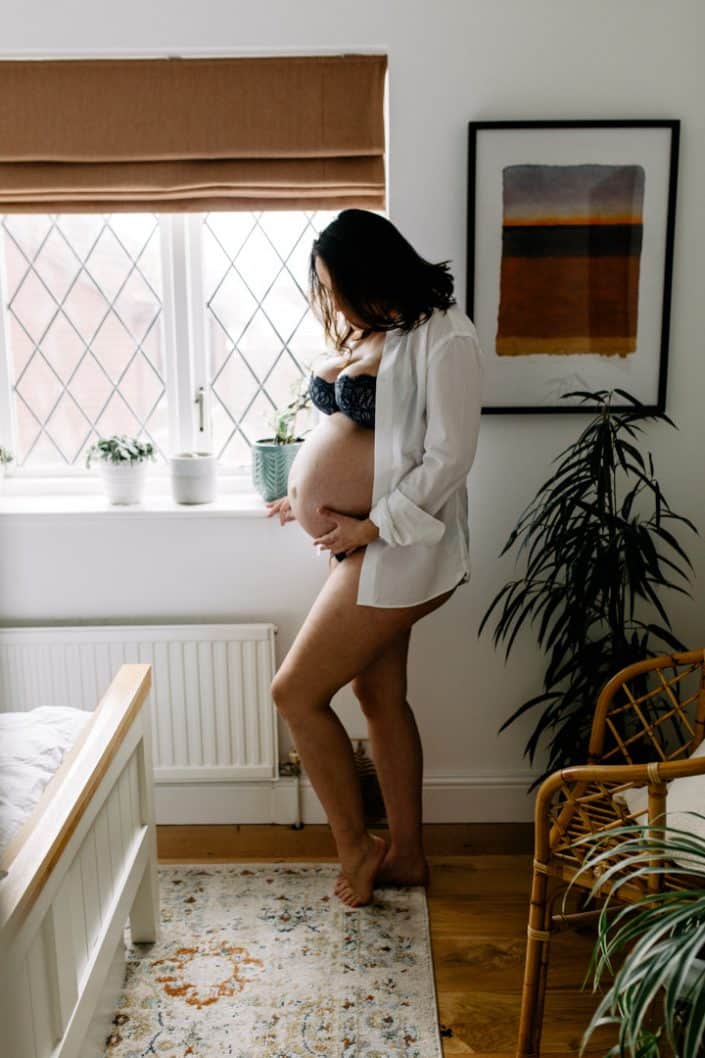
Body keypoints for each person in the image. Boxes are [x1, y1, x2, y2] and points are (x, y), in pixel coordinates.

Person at [264, 209, 483, 908]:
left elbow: (451, 457)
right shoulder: (374, 328)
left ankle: (358, 847)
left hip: (398, 546)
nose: (331, 302)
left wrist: (369, 527)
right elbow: (357, 435)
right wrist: (300, 492)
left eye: (335, 286)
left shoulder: (444, 337)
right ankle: (409, 856)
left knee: (294, 693)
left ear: (370, 272)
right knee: (378, 696)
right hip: (360, 544)